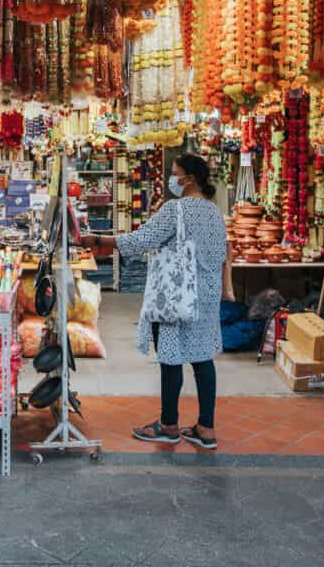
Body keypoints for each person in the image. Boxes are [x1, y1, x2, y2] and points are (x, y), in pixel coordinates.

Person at [81, 153, 232, 449]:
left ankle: (168, 424)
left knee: (170, 357)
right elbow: (219, 255)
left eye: (175, 174)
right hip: (206, 296)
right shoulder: (215, 213)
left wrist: (97, 241)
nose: (171, 180)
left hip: (176, 296)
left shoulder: (175, 210)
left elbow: (140, 241)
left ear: (189, 179)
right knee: (203, 360)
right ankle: (206, 428)